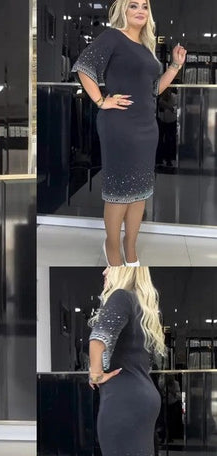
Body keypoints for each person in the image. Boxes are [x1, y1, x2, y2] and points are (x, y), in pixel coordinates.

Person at [72, 0, 186, 266]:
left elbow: (153, 90)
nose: (140, 11)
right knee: (119, 193)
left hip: (147, 127)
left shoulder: (145, 47)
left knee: (140, 192)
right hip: (119, 125)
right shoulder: (113, 37)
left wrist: (175, 66)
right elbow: (83, 66)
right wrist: (101, 101)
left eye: (144, 6)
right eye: (133, 5)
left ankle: (130, 248)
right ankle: (112, 248)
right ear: (123, 10)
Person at [88, 266, 166, 456]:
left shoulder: (120, 296)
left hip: (123, 400)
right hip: (144, 398)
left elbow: (98, 339)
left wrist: (95, 374)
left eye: (109, 267)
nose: (104, 272)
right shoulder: (143, 307)